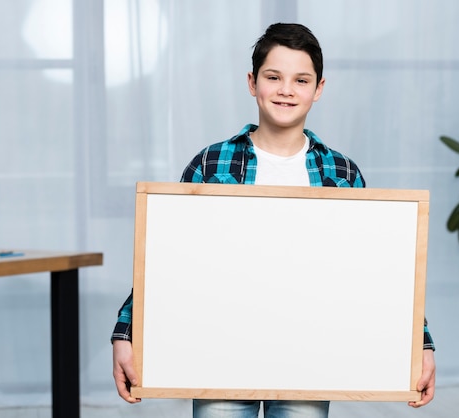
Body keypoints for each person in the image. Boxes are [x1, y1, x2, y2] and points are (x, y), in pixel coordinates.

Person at [112, 22, 436, 417]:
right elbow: (165, 260)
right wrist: (124, 333)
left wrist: (420, 345)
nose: (286, 90)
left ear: (318, 89)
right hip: (219, 353)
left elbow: (380, 271)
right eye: (273, 77)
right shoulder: (210, 163)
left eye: (301, 80)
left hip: (310, 356)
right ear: (252, 82)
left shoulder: (342, 173)